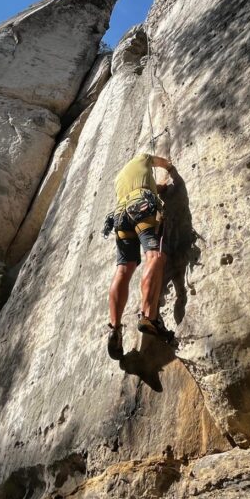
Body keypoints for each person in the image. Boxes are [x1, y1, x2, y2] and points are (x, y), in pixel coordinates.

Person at [106, 152, 175, 359]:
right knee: (154, 256)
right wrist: (169, 167)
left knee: (123, 270)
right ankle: (148, 317)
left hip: (120, 216)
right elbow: (165, 163)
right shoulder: (143, 157)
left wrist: (158, 188)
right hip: (142, 206)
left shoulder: (119, 179)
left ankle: (115, 327)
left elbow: (147, 188)